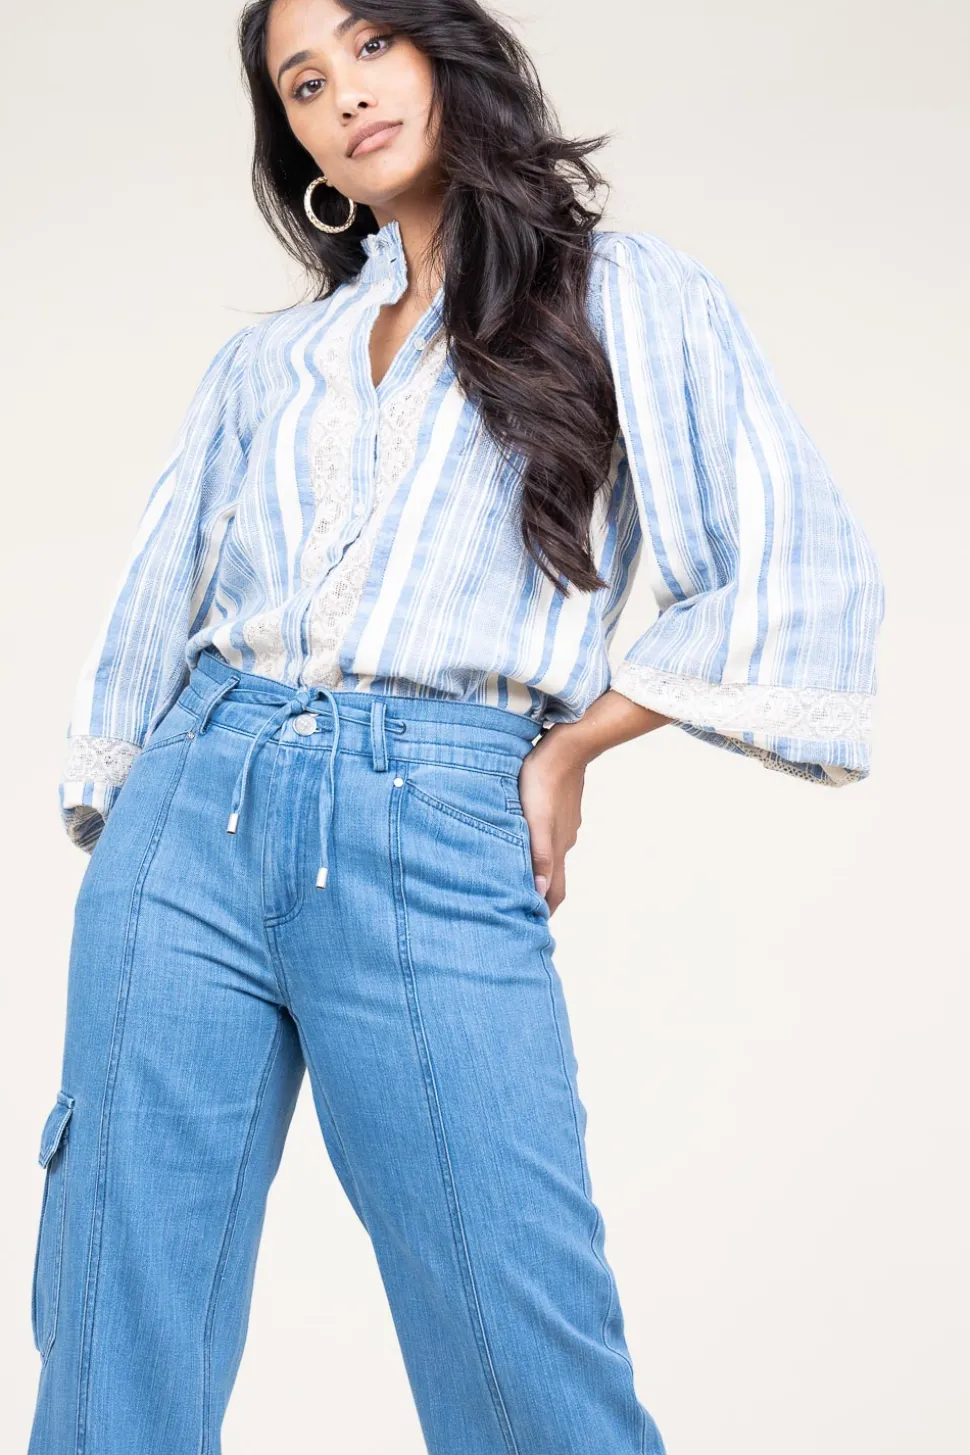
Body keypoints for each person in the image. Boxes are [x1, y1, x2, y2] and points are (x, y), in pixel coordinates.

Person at [27, 1, 886, 1452]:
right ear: (294, 138)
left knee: (517, 1339)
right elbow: (155, 602)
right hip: (189, 818)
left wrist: (571, 744)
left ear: (447, 51)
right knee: (115, 1328)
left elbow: (794, 565)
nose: (344, 96)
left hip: (430, 812)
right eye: (304, 83)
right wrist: (132, 815)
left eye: (371, 46)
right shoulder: (272, 363)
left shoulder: (624, 293)